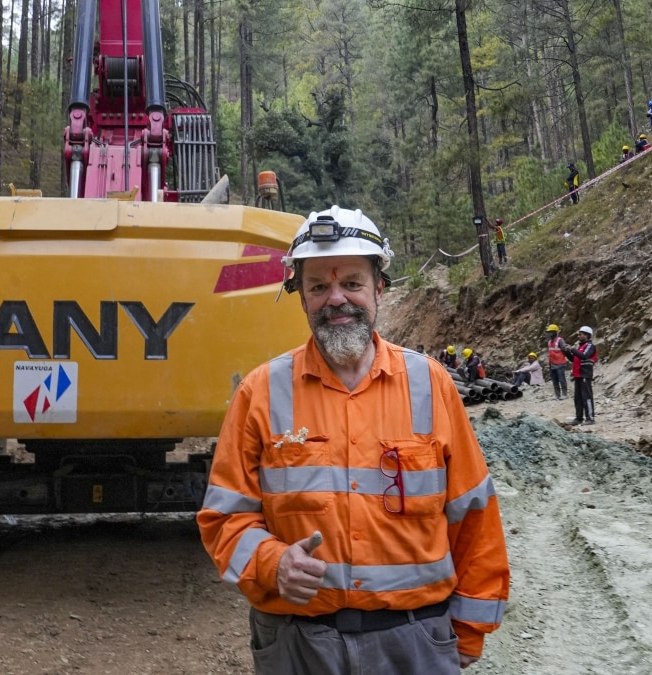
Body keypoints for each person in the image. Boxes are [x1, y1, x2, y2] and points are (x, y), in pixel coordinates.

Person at [198, 205, 510, 674]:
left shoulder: (431, 384)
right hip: (298, 646)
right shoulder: (259, 394)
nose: (336, 299)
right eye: (319, 286)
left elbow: (475, 518)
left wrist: (465, 635)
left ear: (379, 289)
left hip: (414, 642)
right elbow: (224, 518)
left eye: (352, 284)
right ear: (301, 298)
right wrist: (272, 562)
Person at [561, 326, 597, 426]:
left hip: (585, 373)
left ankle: (590, 418)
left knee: (587, 396)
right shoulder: (580, 347)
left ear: (586, 335)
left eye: (580, 334)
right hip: (578, 374)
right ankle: (579, 418)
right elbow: (574, 359)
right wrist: (566, 352)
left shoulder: (590, 346)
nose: (579, 336)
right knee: (578, 397)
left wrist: (572, 349)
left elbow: (584, 356)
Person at [545, 324, 570, 401]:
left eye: (551, 332)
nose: (549, 334)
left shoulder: (560, 340)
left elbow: (565, 350)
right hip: (552, 364)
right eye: (549, 332)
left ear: (555, 332)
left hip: (560, 363)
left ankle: (564, 394)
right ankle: (557, 395)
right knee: (555, 380)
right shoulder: (549, 342)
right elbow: (550, 353)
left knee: (562, 379)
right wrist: (549, 363)